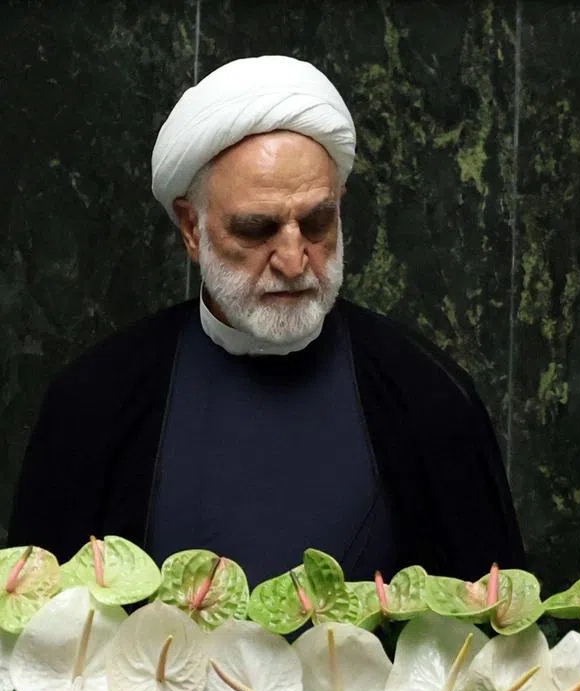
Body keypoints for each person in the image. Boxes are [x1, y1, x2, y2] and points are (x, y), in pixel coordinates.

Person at [9, 56, 525, 585]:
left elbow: (496, 619)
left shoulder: (429, 396)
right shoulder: (93, 403)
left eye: (317, 222)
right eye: (257, 229)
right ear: (192, 228)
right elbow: (32, 623)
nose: (294, 260)